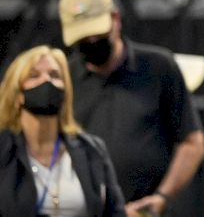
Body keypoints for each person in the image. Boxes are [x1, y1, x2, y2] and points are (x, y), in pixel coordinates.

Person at [58, 0, 204, 217]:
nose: (91, 44)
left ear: (115, 19)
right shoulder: (64, 79)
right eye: (83, 40)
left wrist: (161, 197)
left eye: (98, 36)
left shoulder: (159, 67)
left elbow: (192, 142)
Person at [0, 44, 126, 216]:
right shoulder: (3, 150)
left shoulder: (92, 149)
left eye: (54, 75)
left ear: (66, 90)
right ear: (18, 94)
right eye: (34, 75)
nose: (46, 81)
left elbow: (115, 212)